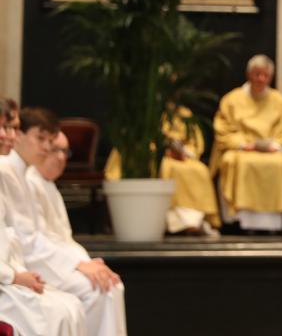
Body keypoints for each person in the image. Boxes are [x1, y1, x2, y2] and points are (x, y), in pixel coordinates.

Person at [0, 108, 127, 336]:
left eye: (54, 144)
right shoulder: (9, 171)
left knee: (94, 294)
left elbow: (56, 236)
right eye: (42, 140)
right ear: (22, 136)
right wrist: (15, 274)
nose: (48, 149)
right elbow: (23, 237)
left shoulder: (25, 175)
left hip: (25, 263)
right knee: (77, 301)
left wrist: (83, 261)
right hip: (25, 265)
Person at [0, 100, 86, 336]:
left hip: (8, 275)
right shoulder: (6, 171)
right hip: (5, 281)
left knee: (71, 307)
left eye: (12, 128)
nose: (9, 136)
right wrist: (14, 275)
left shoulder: (16, 173)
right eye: (5, 127)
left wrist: (17, 272)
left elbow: (9, 238)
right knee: (54, 314)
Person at [211, 55, 282, 232]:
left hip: (272, 149)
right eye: (257, 74)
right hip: (242, 150)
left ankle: (272, 224)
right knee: (233, 161)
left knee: (281, 163)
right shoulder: (232, 100)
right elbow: (223, 130)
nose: (260, 79)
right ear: (249, 75)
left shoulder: (279, 101)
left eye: (265, 75)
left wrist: (276, 144)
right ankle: (239, 221)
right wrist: (243, 144)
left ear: (270, 78)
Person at [105, 106, 221, 232]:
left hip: (180, 157)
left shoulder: (183, 113)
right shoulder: (142, 109)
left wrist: (183, 152)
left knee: (200, 170)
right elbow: (136, 138)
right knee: (167, 168)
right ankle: (170, 221)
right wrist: (161, 150)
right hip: (150, 156)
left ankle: (194, 221)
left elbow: (194, 143)